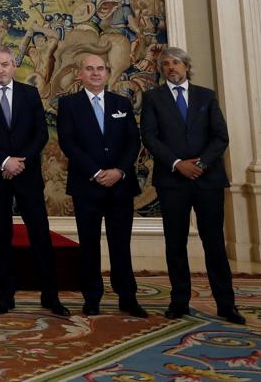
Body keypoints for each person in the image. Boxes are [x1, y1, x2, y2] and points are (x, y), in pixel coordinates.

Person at [140, 47, 244, 324]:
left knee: (214, 244)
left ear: (186, 66)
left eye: (175, 63)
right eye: (165, 64)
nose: (171, 67)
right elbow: (149, 137)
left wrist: (201, 164)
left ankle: (226, 304)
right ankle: (179, 301)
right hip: (172, 181)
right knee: (175, 244)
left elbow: (220, 137)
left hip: (207, 180)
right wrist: (177, 163)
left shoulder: (206, 96)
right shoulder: (153, 98)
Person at [0, 45, 68, 316]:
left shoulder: (30, 93)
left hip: (27, 175)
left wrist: (18, 161)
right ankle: (5, 296)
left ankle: (50, 295)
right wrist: (4, 161)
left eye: (5, 64)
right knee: (0, 237)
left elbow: (41, 134)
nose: (0, 69)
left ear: (14, 66)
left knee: (40, 236)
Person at [55, 54, 146, 318]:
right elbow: (68, 143)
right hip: (87, 186)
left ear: (107, 73)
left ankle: (127, 296)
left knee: (121, 243)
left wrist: (119, 170)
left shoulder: (121, 103)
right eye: (89, 69)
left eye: (100, 69)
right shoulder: (69, 104)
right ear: (79, 74)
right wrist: (96, 172)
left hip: (120, 186)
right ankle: (92, 297)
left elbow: (133, 141)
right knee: (89, 243)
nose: (95, 73)